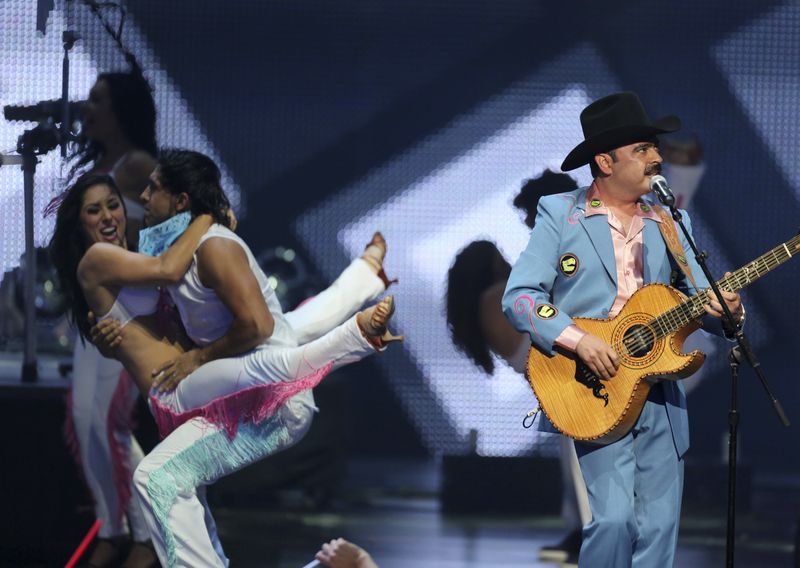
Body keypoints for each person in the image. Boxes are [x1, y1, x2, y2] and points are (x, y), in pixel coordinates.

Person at [49, 171, 401, 567]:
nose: (108, 216)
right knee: (270, 363)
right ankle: (358, 332)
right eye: (94, 211)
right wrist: (206, 217)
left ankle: (364, 279)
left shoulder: (134, 258)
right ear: (79, 224)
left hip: (193, 383)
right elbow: (170, 268)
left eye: (113, 204)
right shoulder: (98, 260)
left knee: (283, 329)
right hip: (174, 391)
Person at [502, 92, 744, 567]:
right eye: (642, 149)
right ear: (604, 161)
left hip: (661, 389)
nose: (657, 157)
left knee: (658, 530)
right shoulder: (561, 214)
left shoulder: (671, 220)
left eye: (655, 148)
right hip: (597, 387)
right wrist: (579, 339)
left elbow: (702, 303)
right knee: (614, 522)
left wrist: (727, 311)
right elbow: (522, 298)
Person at [445, 173, 588, 565]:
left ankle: (585, 533)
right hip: (561, 372)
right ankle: (588, 534)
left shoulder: (498, 297)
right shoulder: (505, 295)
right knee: (581, 459)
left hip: (560, 375)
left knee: (577, 460)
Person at [51, 68, 160, 568]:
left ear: (120, 110)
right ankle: (113, 524)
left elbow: (158, 235)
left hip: (129, 311)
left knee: (111, 423)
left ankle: (142, 532)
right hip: (95, 309)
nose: (88, 109)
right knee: (84, 420)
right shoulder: (103, 163)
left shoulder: (138, 166)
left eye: (97, 100)